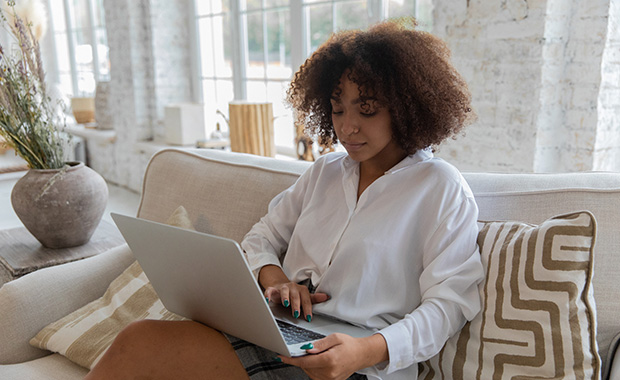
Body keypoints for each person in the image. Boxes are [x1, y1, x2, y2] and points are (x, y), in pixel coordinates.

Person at [85, 18, 484, 380]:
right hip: (280, 335)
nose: (347, 127)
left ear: (407, 107)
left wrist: (364, 351)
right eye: (338, 108)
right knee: (141, 339)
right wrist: (275, 281)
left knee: (141, 346)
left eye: (366, 109)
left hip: (360, 366)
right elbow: (261, 238)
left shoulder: (440, 188)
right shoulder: (325, 172)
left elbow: (449, 305)